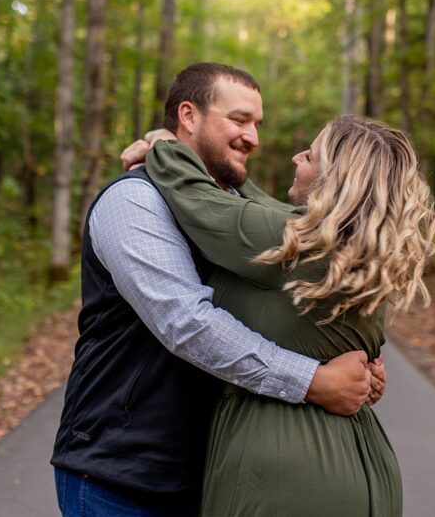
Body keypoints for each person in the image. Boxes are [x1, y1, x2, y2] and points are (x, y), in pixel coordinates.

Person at [51, 63, 386, 517]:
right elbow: (186, 324)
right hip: (121, 473)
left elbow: (291, 290)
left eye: (257, 125)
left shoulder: (228, 207)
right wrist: (313, 381)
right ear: (189, 117)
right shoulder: (134, 200)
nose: (254, 138)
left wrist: (356, 356)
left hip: (209, 472)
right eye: (239, 119)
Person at [135, 114, 435, 516]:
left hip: (289, 473)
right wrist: (235, 178)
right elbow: (264, 212)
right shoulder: (361, 249)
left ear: (335, 180)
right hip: (364, 466)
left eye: (310, 156)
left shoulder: (296, 244)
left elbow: (200, 203)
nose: (297, 158)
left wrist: (165, 146)